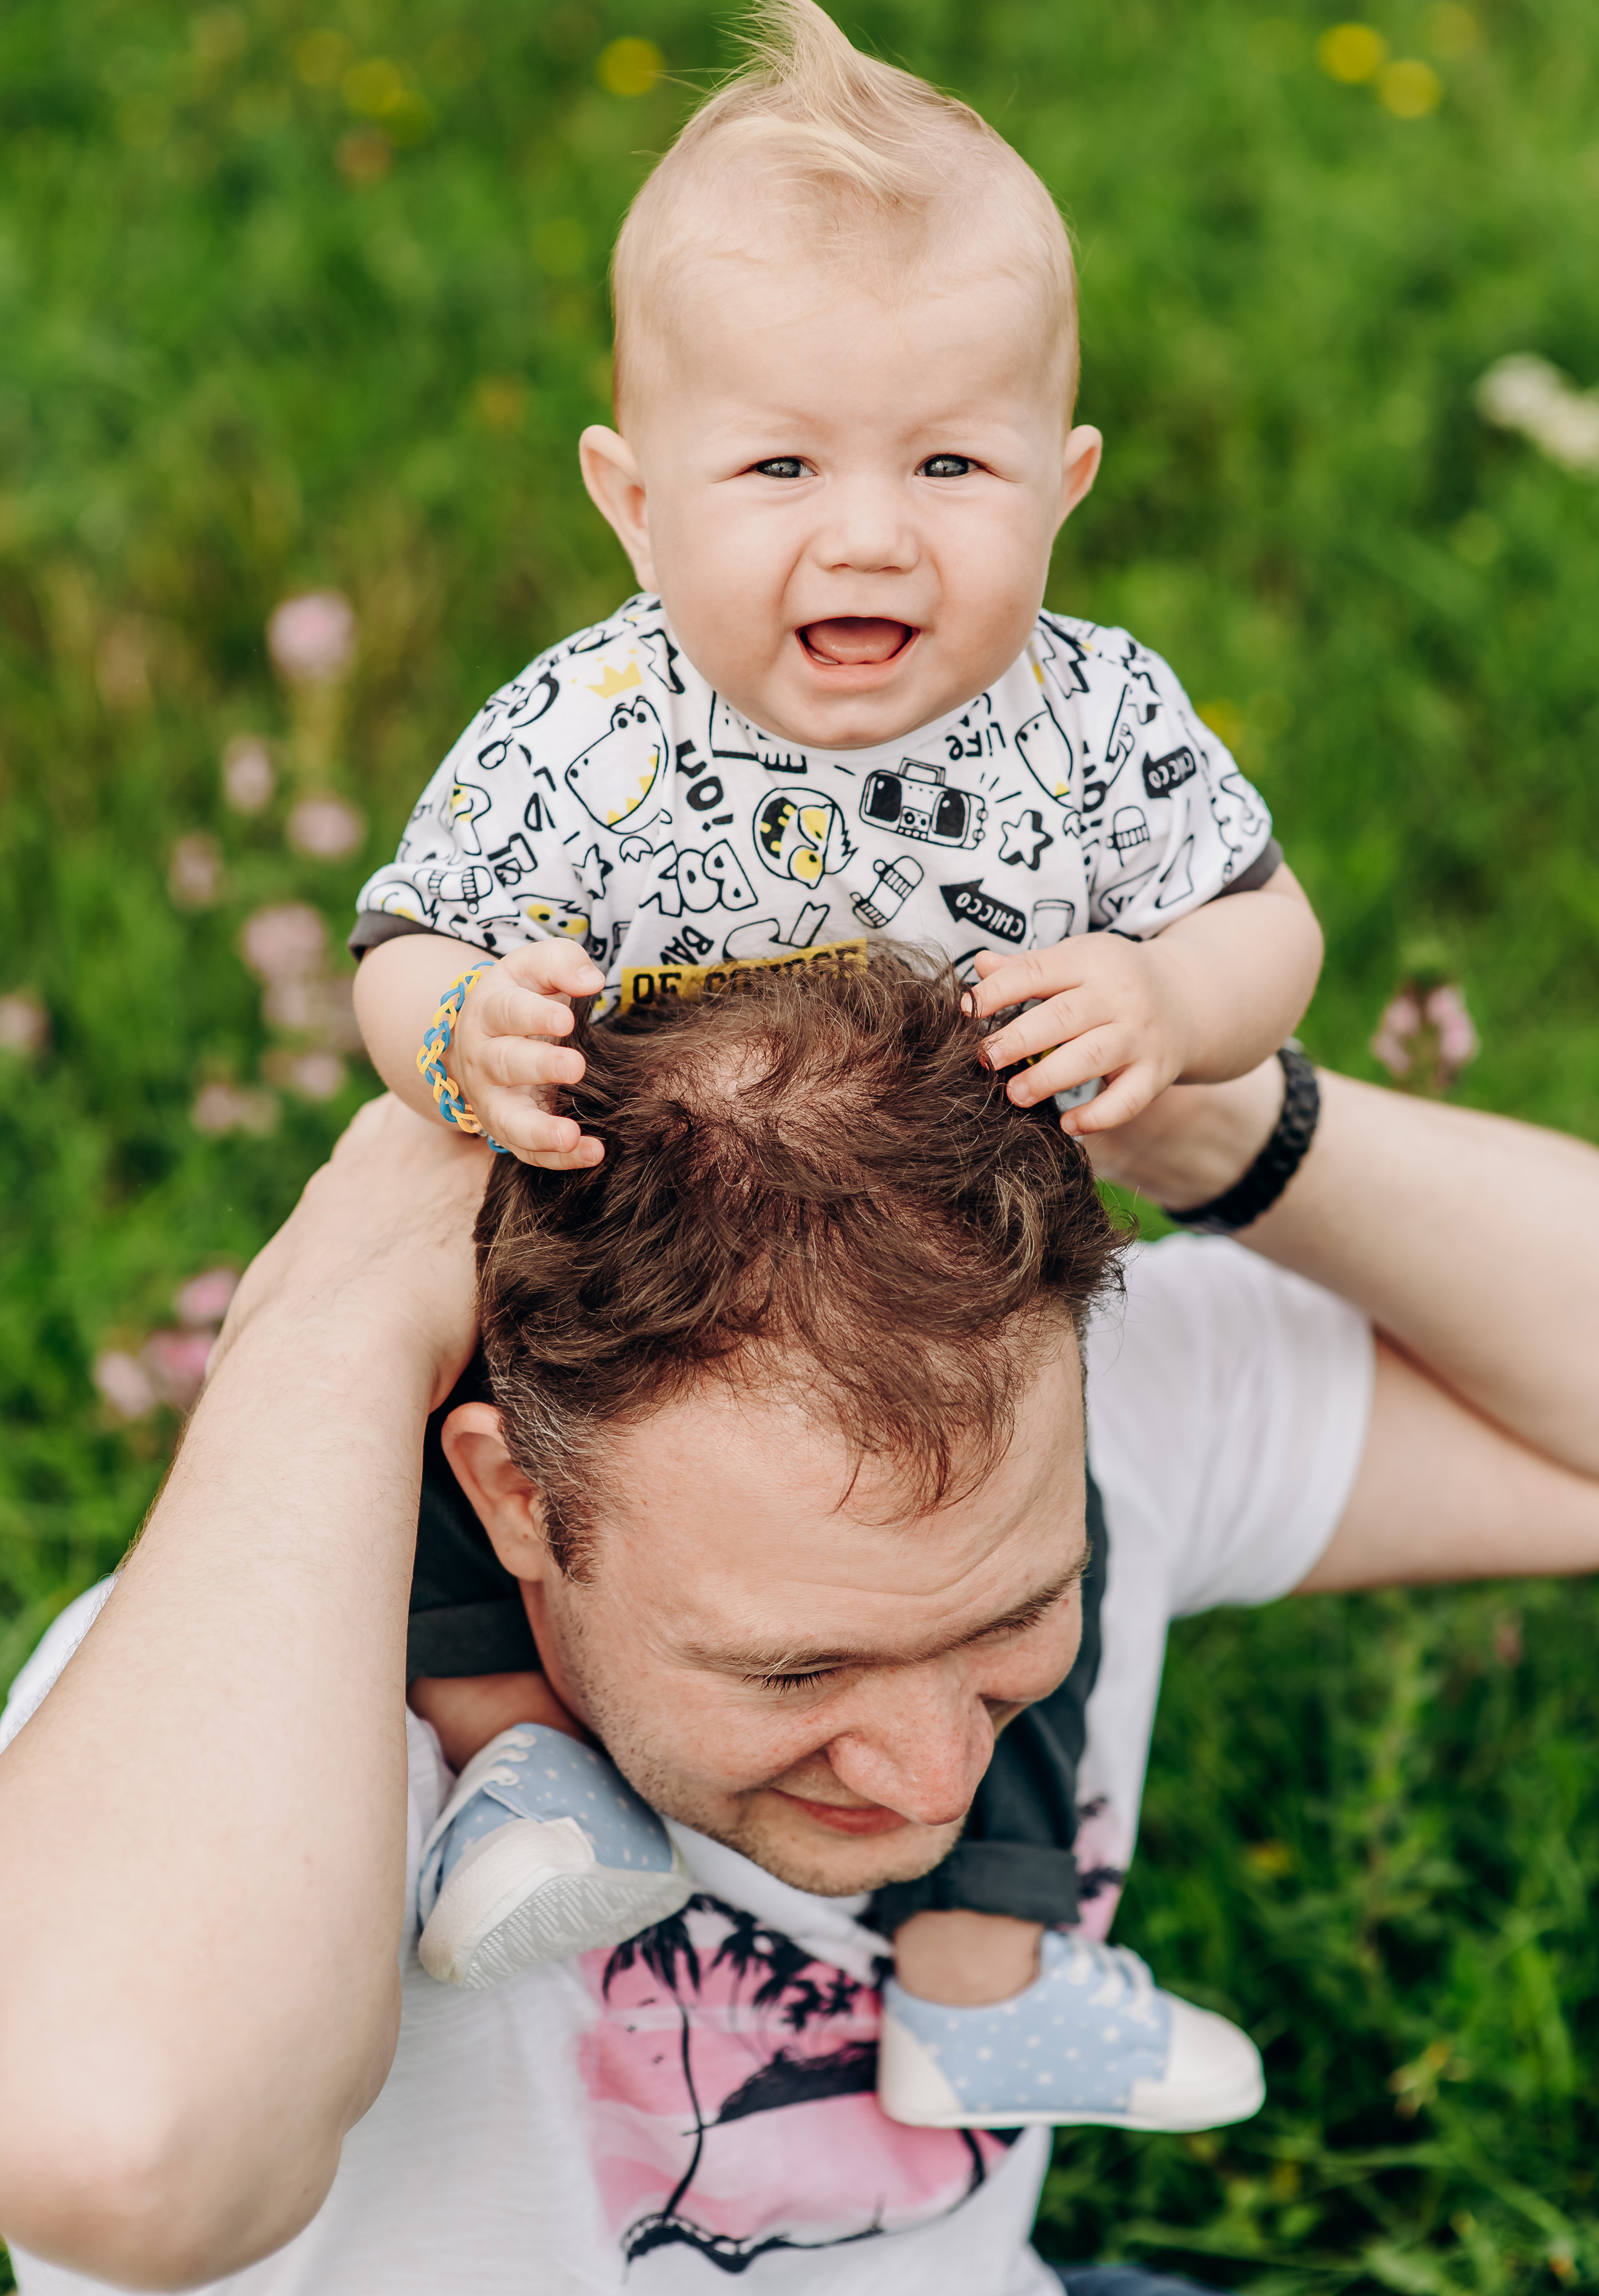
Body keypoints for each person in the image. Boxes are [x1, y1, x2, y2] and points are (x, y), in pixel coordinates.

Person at [1, 957, 1596, 2296]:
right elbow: (119, 2159)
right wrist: (338, 1309)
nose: (924, 1780)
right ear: (512, 1504)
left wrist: (1192, 1095)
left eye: (1016, 1621)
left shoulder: (1009, 1408)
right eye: (793, 1667)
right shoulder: (244, 1704)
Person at [343, 0, 1324, 2078]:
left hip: (961, 1294)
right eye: (780, 461)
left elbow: (1270, 931)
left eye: (951, 462)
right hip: (637, 1281)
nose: (870, 529)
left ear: (1062, 484)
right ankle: (525, 1776)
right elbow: (402, 944)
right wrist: (458, 1036)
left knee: (1020, 1591)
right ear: (632, 497)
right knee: (457, 1476)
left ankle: (987, 1982)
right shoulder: (589, 733)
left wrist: (1171, 998)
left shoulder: (1089, 715)